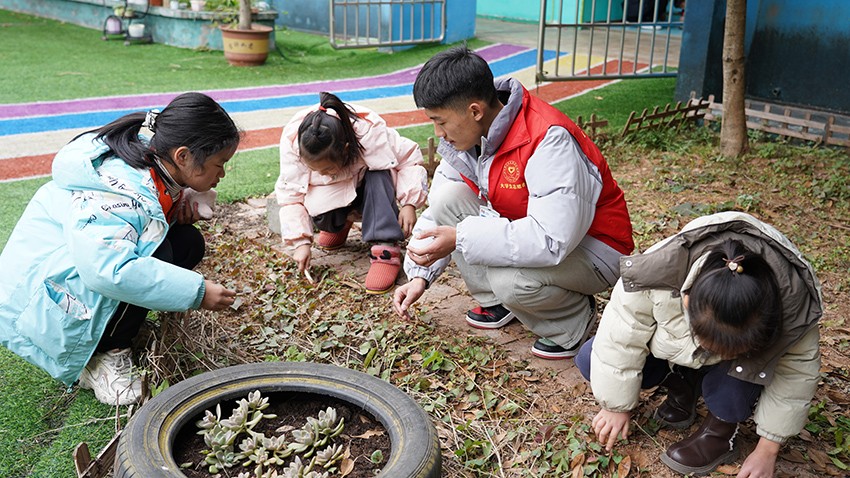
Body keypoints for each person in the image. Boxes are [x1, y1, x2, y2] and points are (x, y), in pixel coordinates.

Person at [391, 46, 634, 360]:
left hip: (595, 248)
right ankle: (498, 303)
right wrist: (419, 276)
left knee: (510, 280)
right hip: (536, 228)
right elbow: (440, 210)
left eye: (441, 122)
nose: (438, 133)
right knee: (449, 198)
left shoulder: (548, 139)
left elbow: (552, 239)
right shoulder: (468, 138)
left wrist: (460, 237)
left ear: (475, 111)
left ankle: (570, 322)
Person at [0, 92, 241, 406]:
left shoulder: (154, 155)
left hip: (70, 270)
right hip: (39, 301)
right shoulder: (119, 191)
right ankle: (103, 358)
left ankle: (112, 332)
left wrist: (181, 199)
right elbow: (109, 270)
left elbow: (143, 222)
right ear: (183, 156)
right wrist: (197, 292)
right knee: (152, 258)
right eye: (219, 165)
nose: (222, 174)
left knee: (186, 243)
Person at [575, 211, 822, 477]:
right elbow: (621, 335)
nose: (715, 352)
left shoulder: (793, 307)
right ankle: (684, 383)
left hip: (739, 368)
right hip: (679, 351)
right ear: (687, 301)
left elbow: (795, 376)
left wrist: (767, 450)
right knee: (591, 357)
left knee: (735, 384)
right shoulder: (658, 270)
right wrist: (615, 406)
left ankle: (721, 429)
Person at [275, 91, 428, 294]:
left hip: (366, 190)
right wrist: (300, 243)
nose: (322, 174)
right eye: (315, 170)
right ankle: (339, 223)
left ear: (346, 150)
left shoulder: (369, 133)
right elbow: (291, 196)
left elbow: (409, 158)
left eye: (327, 169)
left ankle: (385, 247)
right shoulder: (295, 145)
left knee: (380, 172)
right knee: (316, 202)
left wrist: (409, 203)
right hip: (337, 194)